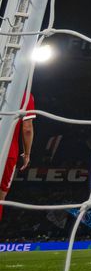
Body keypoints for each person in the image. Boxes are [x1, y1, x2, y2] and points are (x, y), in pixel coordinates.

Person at [0, 90, 35, 221]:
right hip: (7, 152)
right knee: (0, 197)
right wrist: (27, 154)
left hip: (8, 151)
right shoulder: (24, 95)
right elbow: (27, 128)